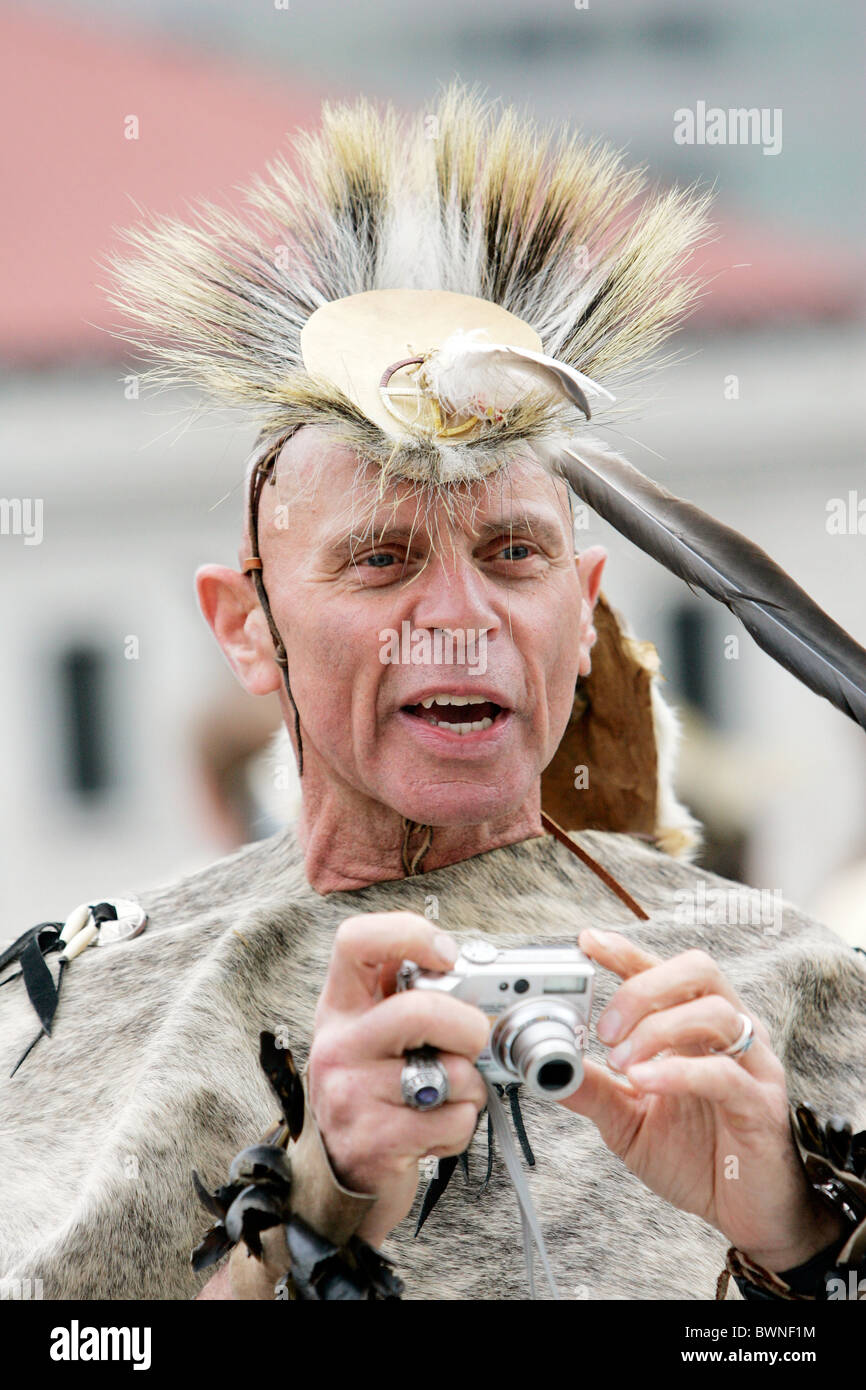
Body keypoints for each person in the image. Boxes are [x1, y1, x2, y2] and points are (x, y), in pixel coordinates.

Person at [1, 84, 863, 1303]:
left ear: (583, 610)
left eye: (514, 554)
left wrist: (799, 1240)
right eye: (382, 558)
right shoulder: (75, 1017)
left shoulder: (798, 988)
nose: (461, 620)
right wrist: (312, 1206)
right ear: (247, 630)